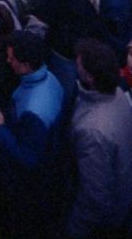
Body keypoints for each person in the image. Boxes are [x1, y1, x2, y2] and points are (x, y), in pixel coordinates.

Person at [0, 30, 65, 239]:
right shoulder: (51, 79)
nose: (8, 61)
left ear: (26, 64)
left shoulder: (34, 109)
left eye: (12, 58)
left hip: (28, 188)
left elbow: (28, 158)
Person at [67, 38, 132, 239]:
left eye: (79, 64)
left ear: (91, 77)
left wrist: (74, 229)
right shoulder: (118, 94)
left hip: (104, 221)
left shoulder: (93, 131)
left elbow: (95, 197)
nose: (75, 66)